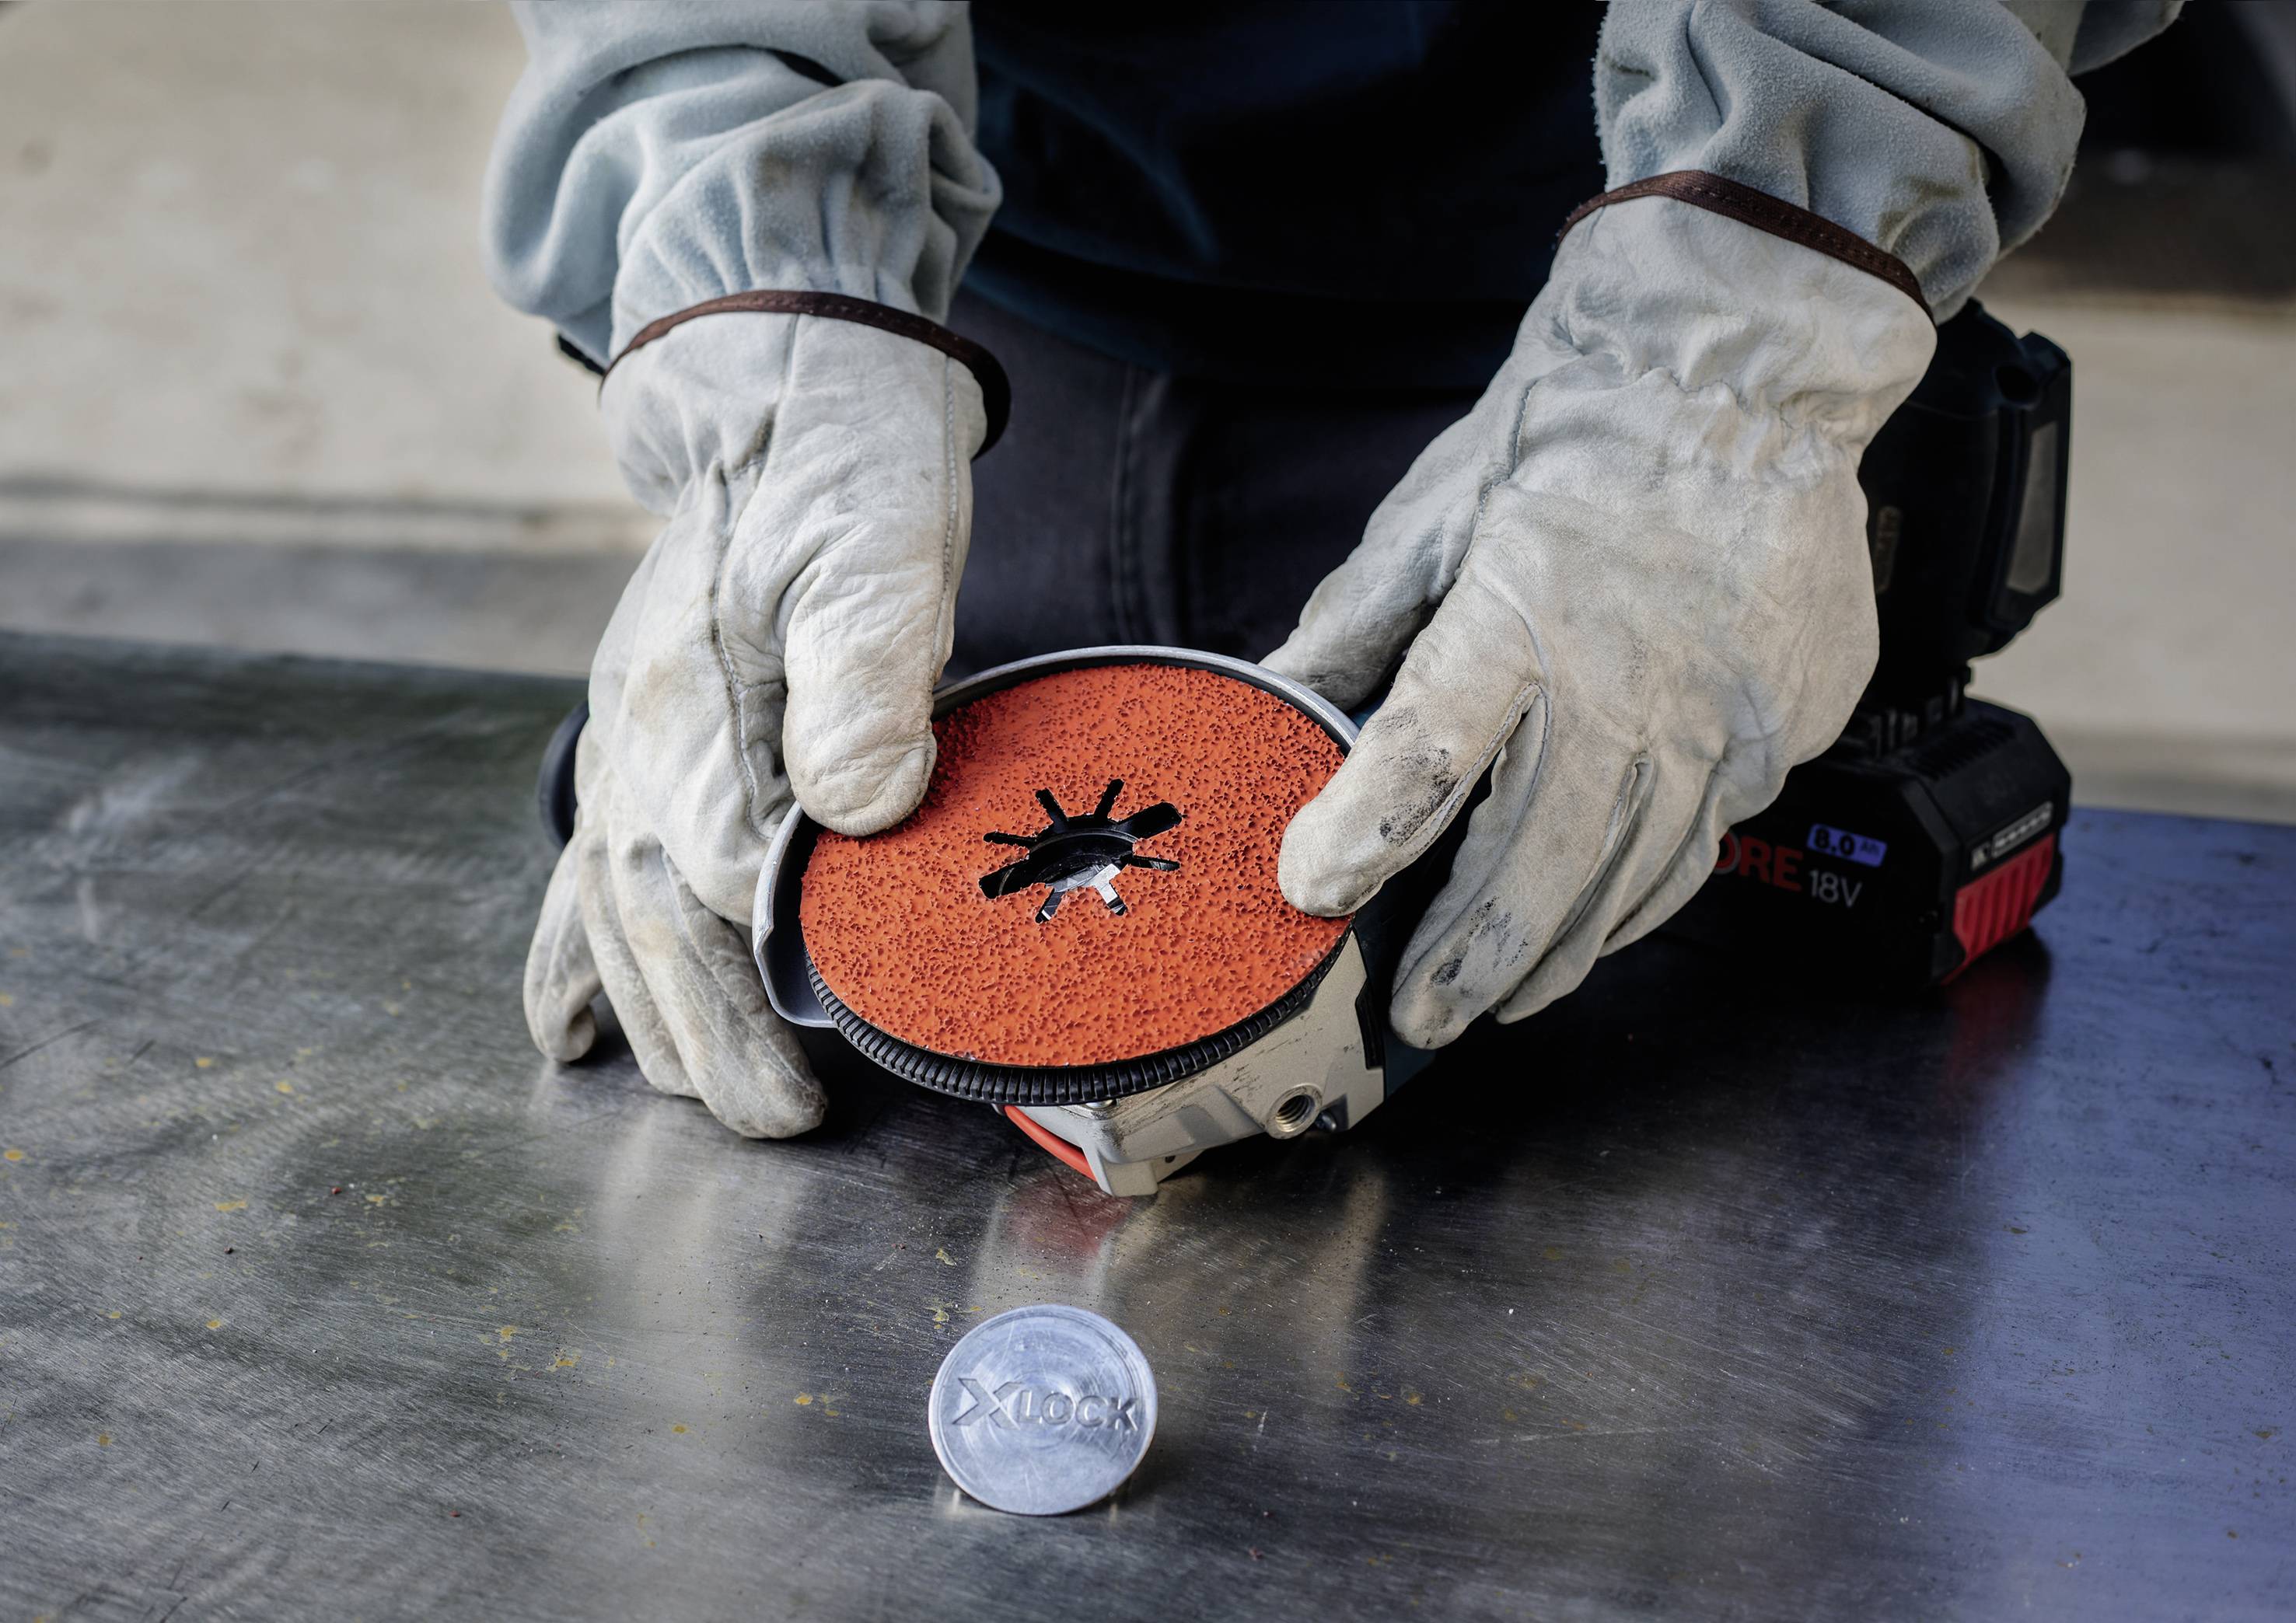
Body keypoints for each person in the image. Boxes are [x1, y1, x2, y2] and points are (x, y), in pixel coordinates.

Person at [485, 1, 2177, 1140]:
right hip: (957, 349)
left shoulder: (1698, 359)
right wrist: (763, 294)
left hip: (1635, 388)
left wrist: (1736, 353)